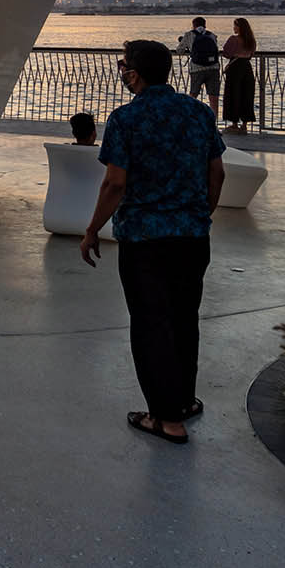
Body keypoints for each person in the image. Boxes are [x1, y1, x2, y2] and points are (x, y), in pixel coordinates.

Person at [80, 39, 225, 444]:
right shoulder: (199, 113)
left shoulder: (127, 119)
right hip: (193, 236)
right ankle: (182, 401)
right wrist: (201, 213)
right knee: (184, 319)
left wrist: (92, 229)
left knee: (150, 323)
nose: (122, 71)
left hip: (145, 239)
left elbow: (115, 183)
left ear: (135, 73)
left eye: (124, 65)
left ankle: (166, 418)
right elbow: (218, 174)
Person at [177, 16, 221, 117]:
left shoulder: (189, 35)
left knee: (193, 95)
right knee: (213, 97)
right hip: (213, 68)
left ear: (194, 25)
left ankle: (190, 120)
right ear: (205, 25)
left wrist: (185, 45)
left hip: (197, 68)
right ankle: (213, 124)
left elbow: (180, 50)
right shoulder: (212, 35)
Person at [221, 17, 258, 134]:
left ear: (240, 27)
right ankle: (245, 125)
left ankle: (234, 124)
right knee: (246, 94)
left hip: (235, 67)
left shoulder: (233, 39)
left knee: (233, 94)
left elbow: (226, 53)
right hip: (247, 67)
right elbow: (251, 54)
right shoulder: (251, 40)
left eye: (235, 26)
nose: (234, 28)